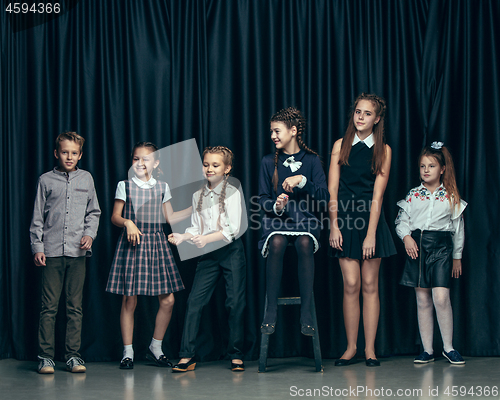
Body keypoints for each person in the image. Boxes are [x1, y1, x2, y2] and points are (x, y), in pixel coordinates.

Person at [106, 142, 191, 369]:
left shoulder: (162, 186)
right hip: (133, 243)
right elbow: (115, 216)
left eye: (145, 159)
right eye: (136, 159)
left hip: (157, 244)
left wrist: (195, 207)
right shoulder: (124, 185)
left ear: (156, 163)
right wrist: (128, 222)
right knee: (129, 299)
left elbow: (169, 217)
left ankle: (155, 348)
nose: (140, 163)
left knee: (168, 299)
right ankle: (128, 352)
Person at [328, 93, 396, 367]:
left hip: (370, 222)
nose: (361, 117)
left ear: (377, 119)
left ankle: (369, 349)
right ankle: (350, 348)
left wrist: (371, 233)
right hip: (344, 221)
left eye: (367, 113)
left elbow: (378, 195)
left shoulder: (384, 150)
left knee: (370, 285)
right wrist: (333, 225)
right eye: (358, 111)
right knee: (351, 284)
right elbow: (332, 189)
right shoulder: (340, 145)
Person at [168, 146, 246, 372]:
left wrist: (206, 239)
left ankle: (236, 355)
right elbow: (196, 227)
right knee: (194, 302)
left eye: (215, 165)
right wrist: (184, 236)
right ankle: (187, 356)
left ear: (227, 168)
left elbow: (232, 230)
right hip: (209, 255)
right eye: (206, 164)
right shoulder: (197, 195)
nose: (209, 169)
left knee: (235, 304)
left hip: (231, 252)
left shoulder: (233, 192)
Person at [30, 131, 101, 374]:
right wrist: (37, 247)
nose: (69, 157)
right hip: (50, 252)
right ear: (56, 153)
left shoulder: (87, 179)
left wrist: (89, 234)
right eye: (64, 152)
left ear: (80, 155)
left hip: (78, 254)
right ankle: (46, 356)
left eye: (74, 153)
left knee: (75, 307)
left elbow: (94, 212)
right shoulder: (46, 180)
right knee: (49, 306)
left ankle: (72, 356)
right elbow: (38, 217)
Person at [258, 107, 329, 337]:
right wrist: (276, 206)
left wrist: (303, 181)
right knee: (277, 243)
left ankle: (307, 315)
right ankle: (270, 312)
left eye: (276, 131)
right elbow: (262, 199)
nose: (273, 136)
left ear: (293, 131)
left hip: (305, 221)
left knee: (305, 244)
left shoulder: (311, 160)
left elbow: (324, 197)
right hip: (278, 223)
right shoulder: (268, 161)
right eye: (271, 132)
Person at [395, 142, 467, 365]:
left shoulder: (451, 196)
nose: (426, 170)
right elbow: (401, 221)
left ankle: (448, 347)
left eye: (431, 166)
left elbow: (458, 229)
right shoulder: (414, 194)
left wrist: (457, 257)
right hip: (418, 248)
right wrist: (406, 237)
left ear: (442, 169)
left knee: (441, 297)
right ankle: (427, 350)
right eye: (422, 166)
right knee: (423, 299)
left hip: (442, 249)